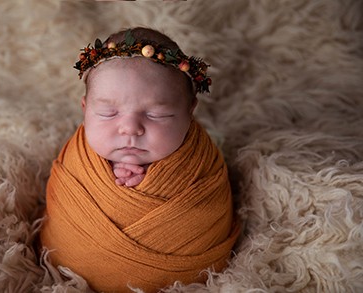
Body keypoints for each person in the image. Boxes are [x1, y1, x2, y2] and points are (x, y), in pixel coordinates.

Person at [40, 27, 241, 293]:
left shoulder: (200, 165)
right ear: (86, 108)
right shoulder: (78, 159)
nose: (130, 128)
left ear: (189, 111)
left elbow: (206, 208)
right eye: (108, 113)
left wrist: (159, 181)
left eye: (157, 115)